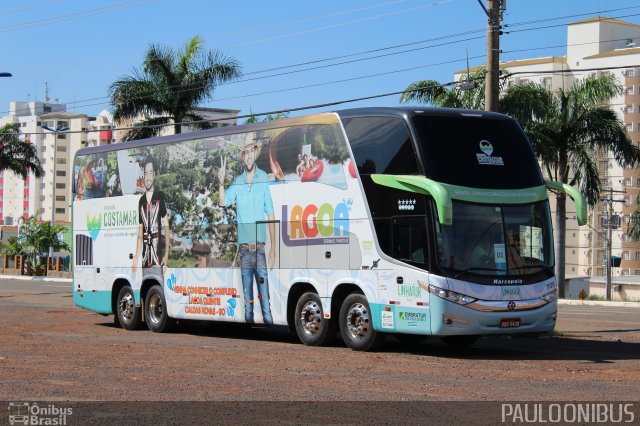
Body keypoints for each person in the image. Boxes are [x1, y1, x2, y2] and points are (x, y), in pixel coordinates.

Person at [218, 133, 275, 324]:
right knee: (248, 303)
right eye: (246, 153)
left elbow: (271, 213)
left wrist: (273, 247)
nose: (249, 156)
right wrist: (221, 182)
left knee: (265, 301)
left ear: (255, 154)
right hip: (244, 251)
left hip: (259, 250)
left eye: (252, 152)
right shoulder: (238, 183)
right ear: (243, 157)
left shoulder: (263, 179)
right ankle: (249, 344)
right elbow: (223, 201)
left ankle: (270, 332)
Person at [132, 156, 170, 278]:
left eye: (150, 173)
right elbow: (140, 232)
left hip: (158, 260)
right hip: (145, 261)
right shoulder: (141, 201)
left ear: (154, 174)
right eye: (146, 173)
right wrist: (136, 257)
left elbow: (167, 227)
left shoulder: (160, 196)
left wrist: (166, 255)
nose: (148, 177)